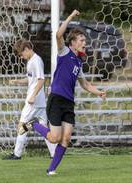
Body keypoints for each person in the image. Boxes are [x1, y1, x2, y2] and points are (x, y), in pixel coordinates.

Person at [18, 10, 106, 175]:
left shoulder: (79, 63)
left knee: (66, 139)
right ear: (72, 43)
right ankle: (33, 124)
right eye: (81, 40)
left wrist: (98, 92)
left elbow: (85, 84)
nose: (84, 43)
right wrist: (71, 17)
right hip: (57, 99)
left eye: (84, 40)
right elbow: (58, 34)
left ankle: (51, 170)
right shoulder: (64, 52)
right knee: (54, 138)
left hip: (69, 103)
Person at [3, 39, 56, 160]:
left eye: (21, 54)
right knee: (44, 128)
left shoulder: (36, 61)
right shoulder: (32, 61)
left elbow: (41, 80)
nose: (21, 57)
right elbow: (31, 79)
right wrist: (17, 81)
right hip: (40, 102)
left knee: (22, 126)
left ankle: (17, 154)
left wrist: (32, 96)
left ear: (26, 49)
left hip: (34, 102)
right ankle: (54, 153)